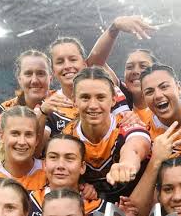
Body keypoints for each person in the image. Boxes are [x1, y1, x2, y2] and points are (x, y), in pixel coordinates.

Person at [62, 66, 151, 202]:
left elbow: (136, 146)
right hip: (94, 208)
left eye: (101, 97)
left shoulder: (128, 123)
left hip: (137, 203)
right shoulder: (67, 137)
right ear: (74, 100)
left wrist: (127, 163)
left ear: (114, 99)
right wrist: (80, 186)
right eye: (85, 98)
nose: (93, 105)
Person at [25, 133, 107, 216]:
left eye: (69, 158)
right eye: (53, 157)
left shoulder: (103, 212)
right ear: (44, 164)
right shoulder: (26, 203)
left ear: (82, 167)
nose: (60, 165)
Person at [0, 50, 53, 163]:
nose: (34, 80)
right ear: (19, 79)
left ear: (50, 77)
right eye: (28, 74)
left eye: (41, 73)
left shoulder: (61, 105)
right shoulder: (6, 109)